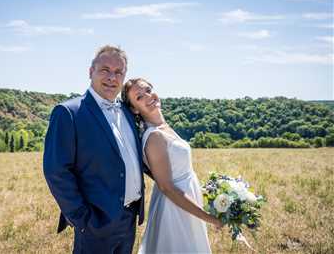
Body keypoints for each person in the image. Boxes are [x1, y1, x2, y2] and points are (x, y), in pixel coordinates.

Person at [43, 46, 148, 254]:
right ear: (90, 72)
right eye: (105, 70)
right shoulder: (69, 112)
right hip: (95, 223)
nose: (112, 77)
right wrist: (83, 219)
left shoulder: (127, 112)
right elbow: (56, 171)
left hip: (129, 219)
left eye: (119, 72)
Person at [121, 78, 223, 254]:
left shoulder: (163, 127)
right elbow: (167, 187)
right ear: (134, 109)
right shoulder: (154, 137)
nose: (148, 96)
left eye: (148, 89)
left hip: (187, 202)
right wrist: (210, 218)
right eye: (139, 97)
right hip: (175, 209)